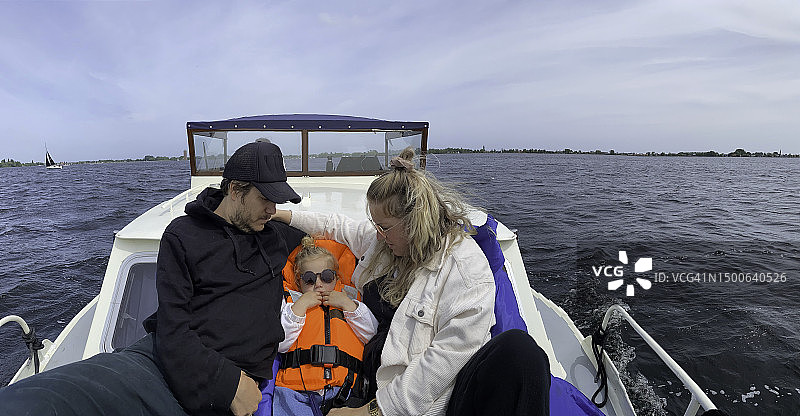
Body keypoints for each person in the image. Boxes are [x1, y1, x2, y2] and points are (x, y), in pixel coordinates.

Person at [0, 140, 303, 416]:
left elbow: (340, 230)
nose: (272, 210)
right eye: (266, 199)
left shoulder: (273, 234)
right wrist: (230, 384)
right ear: (235, 190)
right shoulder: (184, 235)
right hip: (168, 363)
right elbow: (174, 330)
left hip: (242, 378)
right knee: (47, 400)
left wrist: (286, 218)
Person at [270, 148, 551, 416]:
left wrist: (372, 411)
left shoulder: (465, 272)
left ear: (415, 220)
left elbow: (441, 363)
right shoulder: (385, 244)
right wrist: (280, 214)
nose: (378, 234)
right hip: (372, 375)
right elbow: (335, 224)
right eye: (375, 225)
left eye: (385, 227)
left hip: (426, 401)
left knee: (521, 352)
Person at [272, 236, 378, 416]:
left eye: (327, 277)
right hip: (294, 393)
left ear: (336, 278)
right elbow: (279, 343)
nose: (319, 284)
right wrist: (300, 307)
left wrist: (348, 305)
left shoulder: (351, 300)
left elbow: (373, 335)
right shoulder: (291, 305)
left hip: (344, 392)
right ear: (299, 282)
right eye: (309, 279)